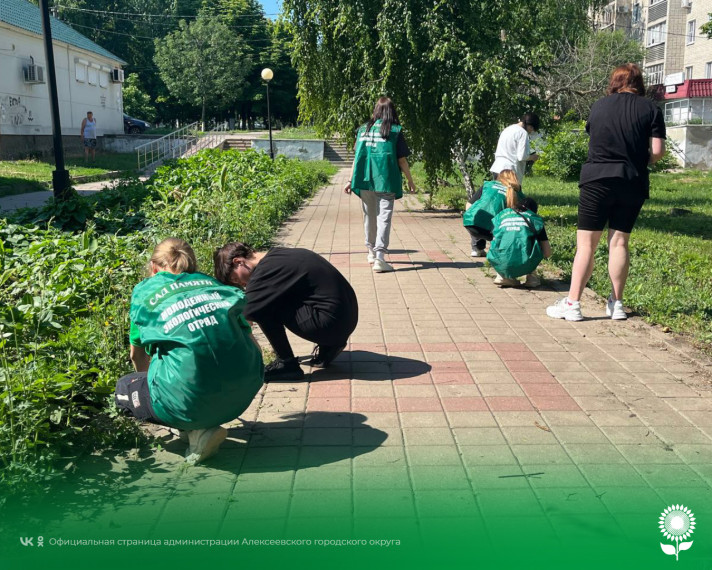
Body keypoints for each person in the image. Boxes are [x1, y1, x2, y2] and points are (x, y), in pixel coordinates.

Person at [115, 238, 264, 464]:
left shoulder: (145, 295)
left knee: (124, 389)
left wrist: (150, 386)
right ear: (192, 263)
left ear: (154, 267)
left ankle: (195, 429)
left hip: (193, 400)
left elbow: (137, 356)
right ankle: (193, 423)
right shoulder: (215, 286)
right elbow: (250, 338)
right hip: (244, 390)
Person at [547, 63, 666, 322]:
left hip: (596, 180)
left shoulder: (599, 106)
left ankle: (573, 304)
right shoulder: (651, 109)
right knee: (620, 241)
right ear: (639, 83)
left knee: (586, 245)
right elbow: (656, 152)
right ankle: (616, 304)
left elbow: (596, 137)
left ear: (615, 81)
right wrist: (635, 160)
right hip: (632, 181)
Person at [214, 243, 359, 382]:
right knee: (275, 296)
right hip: (346, 317)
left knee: (263, 306)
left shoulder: (263, 273)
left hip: (331, 323)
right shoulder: (278, 255)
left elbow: (243, 319)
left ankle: (286, 364)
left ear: (239, 261)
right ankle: (329, 345)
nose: (242, 284)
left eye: (235, 279)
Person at [344, 97, 416, 273]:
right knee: (383, 217)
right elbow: (402, 160)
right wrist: (410, 180)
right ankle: (380, 258)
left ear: (376, 110)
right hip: (386, 180)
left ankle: (370, 252)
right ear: (392, 111)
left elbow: (357, 156)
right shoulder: (395, 131)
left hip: (364, 179)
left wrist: (350, 179)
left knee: (369, 216)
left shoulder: (363, 130)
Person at [487, 197, 551, 288]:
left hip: (499, 260)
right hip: (526, 262)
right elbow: (547, 252)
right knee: (534, 243)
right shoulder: (534, 219)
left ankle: (502, 276)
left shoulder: (501, 216)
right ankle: (532, 277)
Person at [463, 169, 524, 257]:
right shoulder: (517, 192)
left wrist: (469, 216)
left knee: (478, 217)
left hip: (470, 224)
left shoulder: (488, 185)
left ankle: (476, 249)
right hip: (493, 231)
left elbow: (468, 205)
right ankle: (500, 253)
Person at [489, 112, 540, 185]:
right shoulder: (523, 133)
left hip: (497, 167)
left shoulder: (508, 129)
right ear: (529, 125)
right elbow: (521, 156)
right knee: (510, 195)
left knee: (498, 194)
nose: (531, 131)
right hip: (510, 171)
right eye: (532, 129)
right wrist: (532, 157)